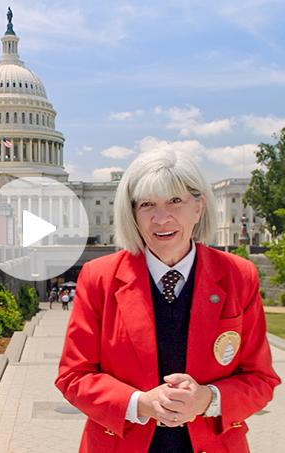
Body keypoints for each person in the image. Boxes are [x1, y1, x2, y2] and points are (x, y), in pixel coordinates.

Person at [55, 149, 280, 453]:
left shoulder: (238, 276)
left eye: (175, 201)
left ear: (199, 207)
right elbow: (73, 376)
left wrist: (209, 398)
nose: (162, 218)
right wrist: (139, 403)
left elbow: (261, 379)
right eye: (147, 205)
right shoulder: (99, 278)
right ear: (133, 214)